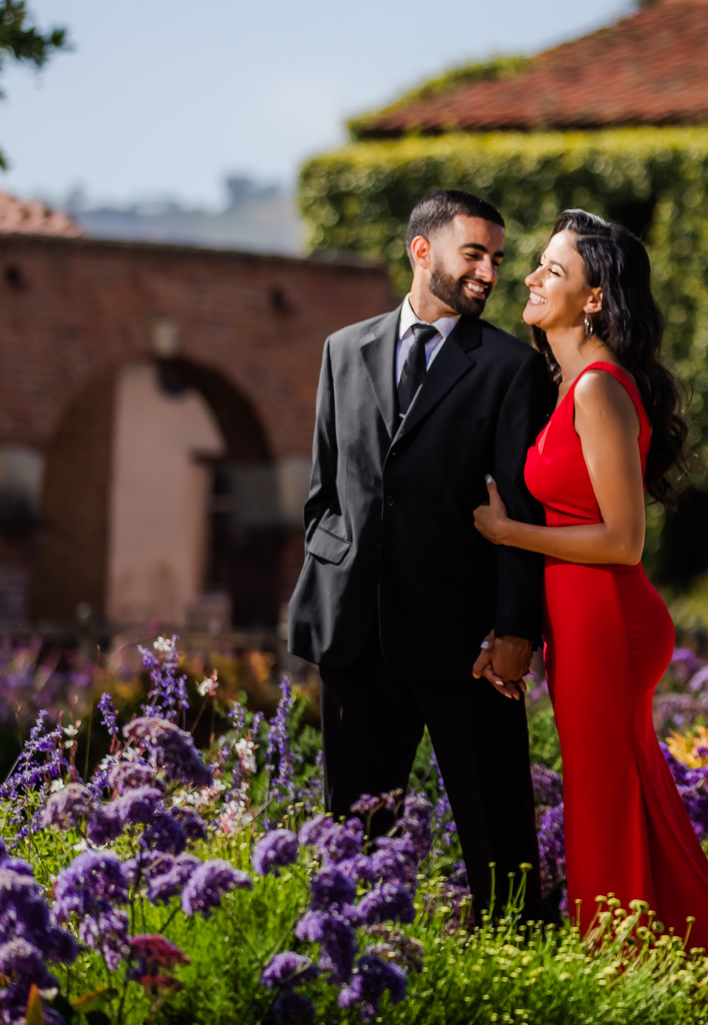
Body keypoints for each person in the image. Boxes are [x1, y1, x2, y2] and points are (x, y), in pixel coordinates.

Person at [471, 208, 708, 1011]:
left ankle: (625, 982)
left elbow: (624, 540)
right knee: (618, 801)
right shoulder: (568, 386)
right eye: (539, 266)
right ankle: (670, 981)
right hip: (580, 619)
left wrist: (505, 528)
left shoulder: (597, 389)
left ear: (593, 298)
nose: (531, 277)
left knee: (602, 807)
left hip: (606, 618)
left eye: (553, 269)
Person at [289, 189, 556, 919]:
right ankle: (350, 975)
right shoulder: (343, 350)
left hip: (466, 646)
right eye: (474, 252)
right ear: (421, 250)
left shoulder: (509, 366)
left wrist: (514, 630)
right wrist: (336, 570)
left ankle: (521, 973)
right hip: (357, 637)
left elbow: (520, 509)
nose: (488, 272)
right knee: (348, 845)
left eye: (496, 258)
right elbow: (323, 491)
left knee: (500, 844)